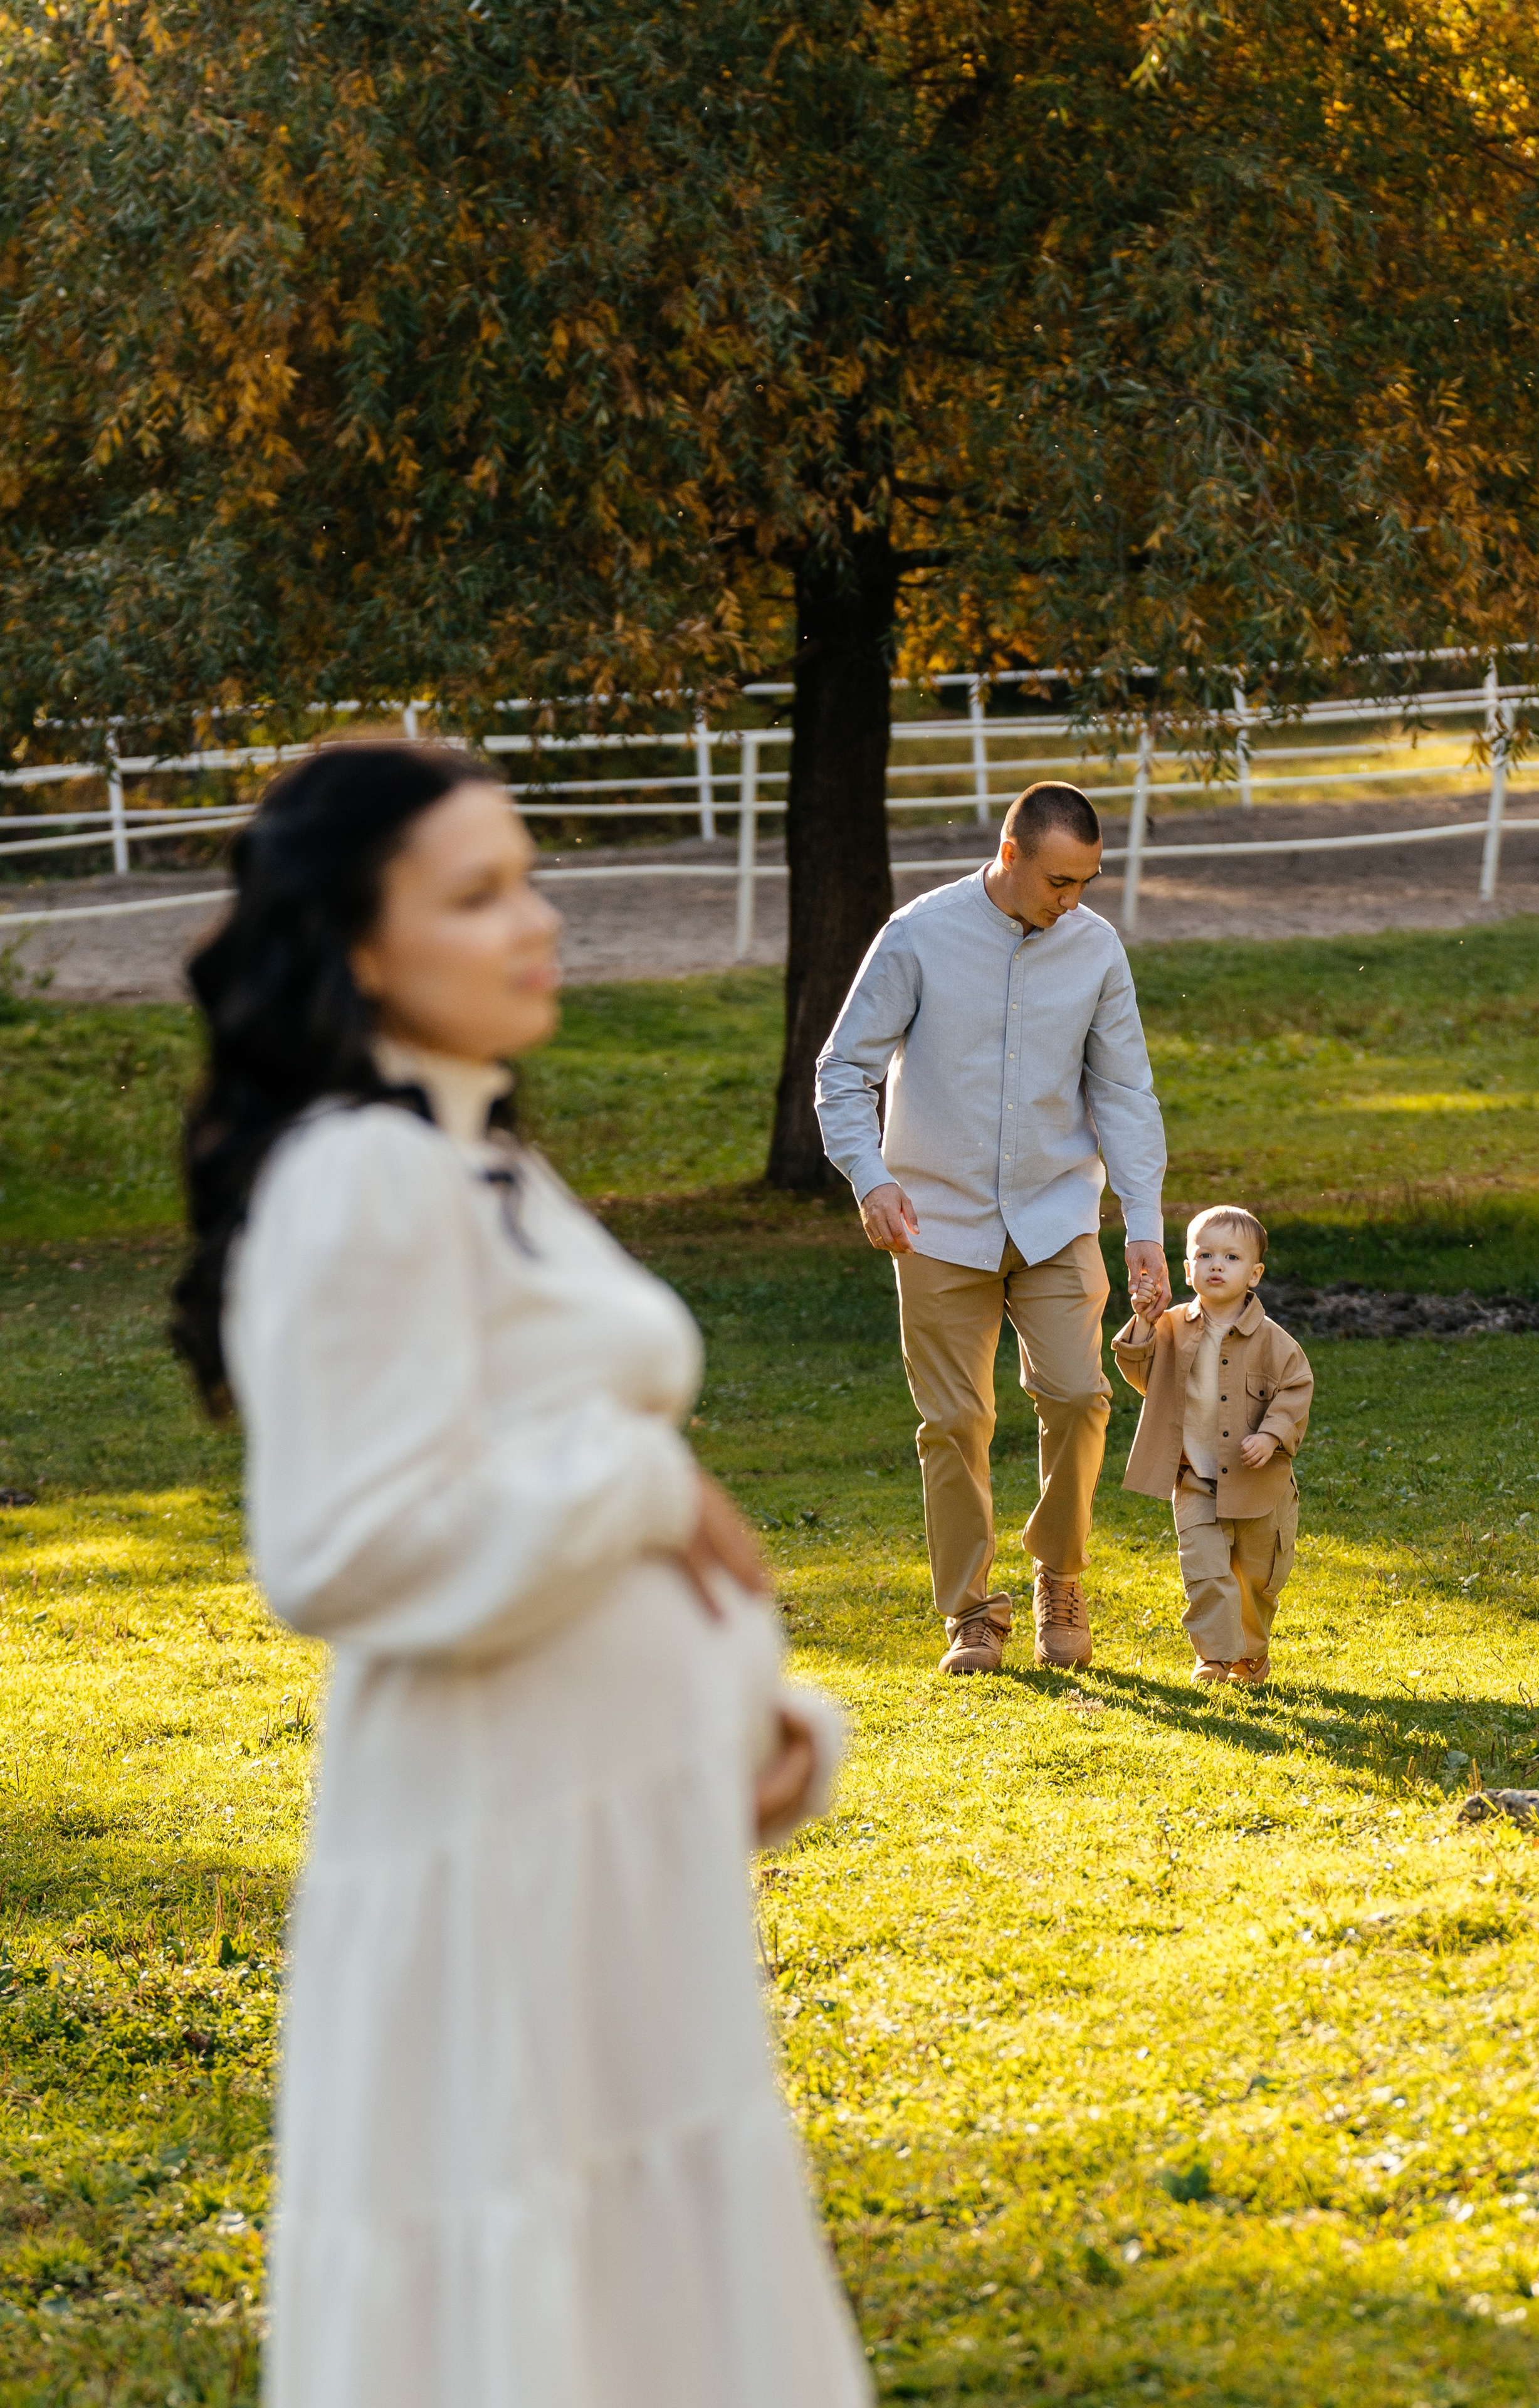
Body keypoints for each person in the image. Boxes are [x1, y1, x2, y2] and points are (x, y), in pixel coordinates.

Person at [171, 744, 870, 2408]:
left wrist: (738, 1716)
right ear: (358, 949)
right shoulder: (360, 1174)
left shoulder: (483, 1156)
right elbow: (339, 1542)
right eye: (476, 895)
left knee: (637, 2316)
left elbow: (516, 1474)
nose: (537, 922)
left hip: (605, 1856)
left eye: (531, 879)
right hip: (492, 1867)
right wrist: (637, 1479)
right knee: (534, 2317)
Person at [815, 781, 1169, 1677]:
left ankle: (1059, 1573)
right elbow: (843, 1069)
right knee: (955, 1422)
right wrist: (872, 1178)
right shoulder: (918, 937)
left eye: (1086, 881)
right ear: (1010, 857)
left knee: (1080, 1396)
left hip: (1055, 1213)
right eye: (1058, 880)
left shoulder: (1096, 950)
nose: (1072, 900)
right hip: (933, 1220)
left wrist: (1144, 1223)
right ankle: (973, 1612)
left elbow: (1125, 1092)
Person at [1112, 1205, 1313, 1686]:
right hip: (1195, 1478)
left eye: (1231, 1257)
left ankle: (1251, 1654)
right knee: (1205, 1572)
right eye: (1204, 1255)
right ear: (1187, 1269)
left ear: (1255, 1274)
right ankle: (1215, 1658)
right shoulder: (1171, 1327)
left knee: (1256, 1581)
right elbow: (1142, 1375)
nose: (1216, 1265)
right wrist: (1141, 1322)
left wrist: (1271, 1435)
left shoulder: (1274, 1342)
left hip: (1257, 1484)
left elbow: (1296, 1388)